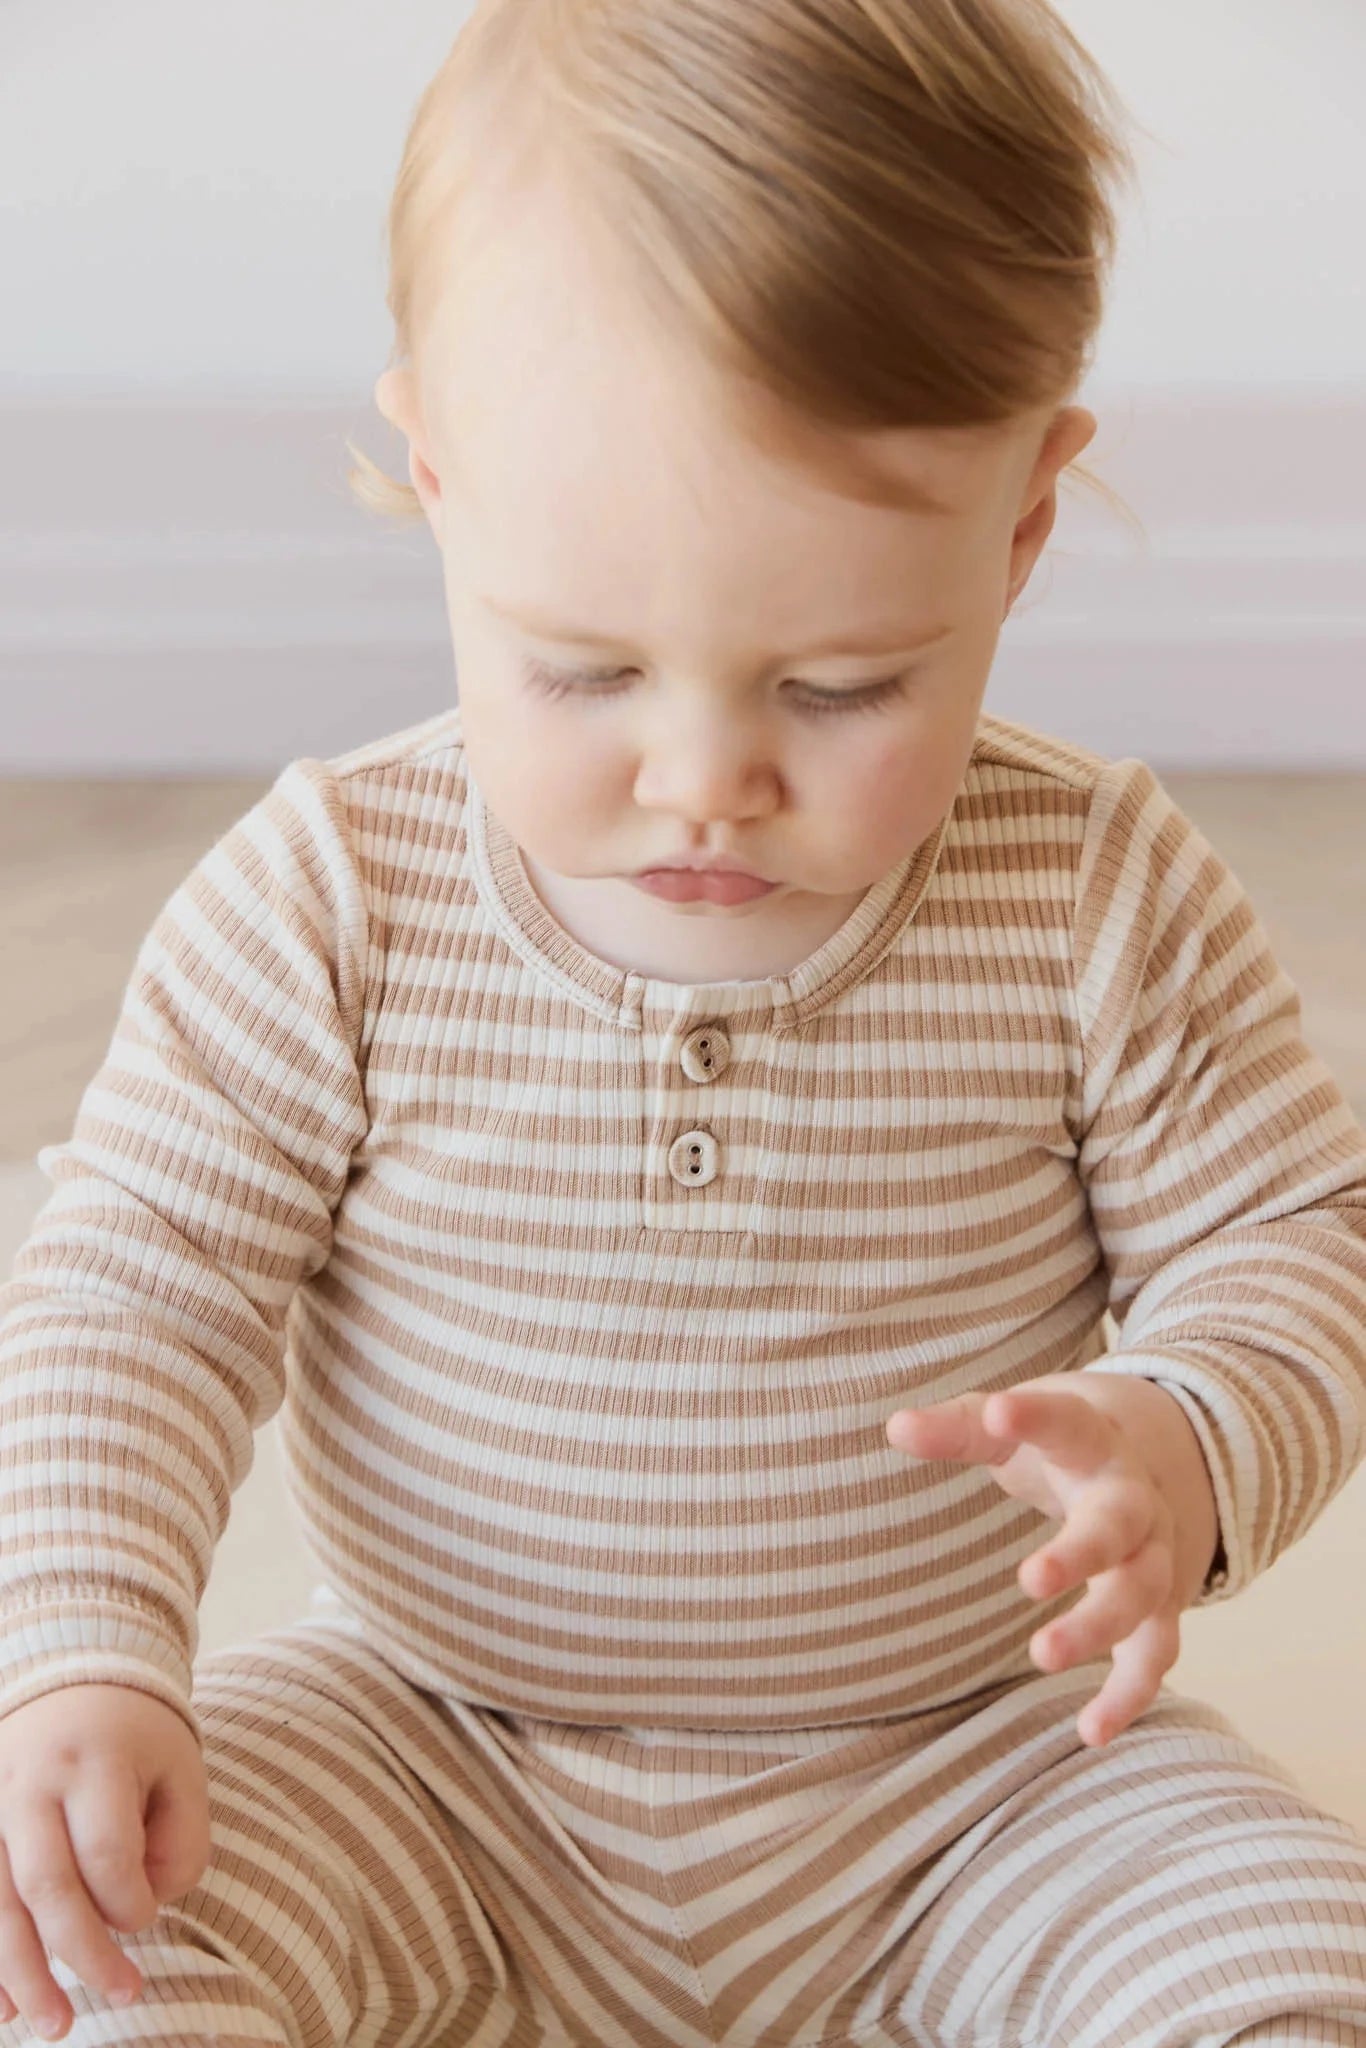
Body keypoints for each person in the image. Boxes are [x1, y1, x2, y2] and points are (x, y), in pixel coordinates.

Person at [2, 0, 1365, 2042]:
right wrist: (82, 1650)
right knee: (97, 1943)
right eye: (581, 673)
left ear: (1018, 522)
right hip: (430, 1746)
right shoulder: (334, 895)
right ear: (437, 480)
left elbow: (1288, 1250)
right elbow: (135, 1284)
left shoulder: (1089, 884)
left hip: (980, 1775)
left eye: (834, 686)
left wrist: (1181, 1434)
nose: (702, 777)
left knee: (1284, 1963)